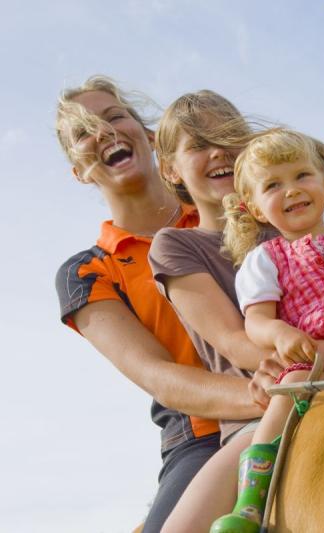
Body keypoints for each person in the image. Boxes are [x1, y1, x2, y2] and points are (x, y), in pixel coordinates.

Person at [54, 76, 267, 533]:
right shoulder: (91, 270)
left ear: (149, 137)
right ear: (79, 170)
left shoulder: (227, 208)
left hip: (308, 379)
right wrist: (269, 393)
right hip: (207, 434)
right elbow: (159, 378)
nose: (104, 133)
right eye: (84, 132)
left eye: (114, 117)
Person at [148, 97, 324, 531]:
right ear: (171, 170)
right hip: (262, 401)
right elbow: (235, 341)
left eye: (229, 136)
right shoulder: (178, 246)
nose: (218, 151)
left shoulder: (300, 217)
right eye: (199, 145)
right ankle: (249, 503)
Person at [210, 127, 324, 531]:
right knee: (290, 387)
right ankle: (252, 499)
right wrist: (282, 335)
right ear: (255, 208)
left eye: (301, 176)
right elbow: (258, 321)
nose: (291, 190)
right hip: (315, 355)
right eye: (272, 185)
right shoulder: (267, 258)